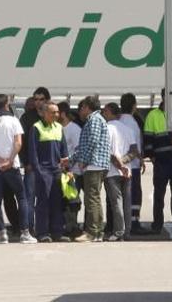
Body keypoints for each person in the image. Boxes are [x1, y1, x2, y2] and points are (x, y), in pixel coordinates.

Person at [0, 94, 36, 244]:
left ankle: (1, 233)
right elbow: (18, 143)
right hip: (12, 166)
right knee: (22, 197)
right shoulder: (13, 120)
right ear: (6, 105)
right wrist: (10, 160)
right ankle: (24, 232)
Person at [144, 89, 172, 236]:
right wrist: (152, 157)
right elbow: (148, 138)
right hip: (161, 162)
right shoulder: (153, 115)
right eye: (167, 95)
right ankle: (157, 224)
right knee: (159, 195)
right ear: (163, 97)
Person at [27, 100, 70, 242]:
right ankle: (42, 233)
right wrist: (38, 172)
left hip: (57, 171)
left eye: (57, 112)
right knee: (43, 203)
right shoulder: (36, 128)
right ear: (44, 113)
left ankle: (57, 232)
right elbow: (32, 153)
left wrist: (66, 170)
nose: (56, 115)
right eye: (53, 112)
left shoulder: (59, 127)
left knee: (57, 202)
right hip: (43, 171)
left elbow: (64, 151)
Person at [70, 96, 110, 243]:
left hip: (94, 164)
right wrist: (71, 159)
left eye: (82, 108)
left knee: (91, 199)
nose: (80, 111)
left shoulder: (93, 120)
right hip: (99, 164)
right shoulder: (98, 119)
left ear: (87, 107)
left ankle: (92, 232)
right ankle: (98, 231)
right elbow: (84, 145)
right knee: (95, 198)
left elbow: (92, 141)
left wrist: (83, 160)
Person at [103, 103, 138, 241]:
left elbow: (108, 152)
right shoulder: (128, 129)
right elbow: (134, 151)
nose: (103, 113)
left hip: (112, 171)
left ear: (109, 112)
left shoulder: (106, 128)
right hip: (127, 171)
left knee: (116, 202)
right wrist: (124, 162)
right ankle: (127, 232)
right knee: (126, 202)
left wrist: (119, 164)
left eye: (105, 111)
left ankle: (118, 232)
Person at [19, 87, 50, 231]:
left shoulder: (51, 115)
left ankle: (45, 227)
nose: (38, 102)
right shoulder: (26, 117)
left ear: (47, 100)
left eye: (41, 99)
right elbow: (22, 142)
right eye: (36, 99)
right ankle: (29, 228)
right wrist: (25, 162)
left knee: (47, 198)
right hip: (32, 165)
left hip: (49, 165)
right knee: (29, 198)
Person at [119, 93, 148, 234]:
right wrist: (141, 159)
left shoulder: (119, 121)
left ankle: (124, 222)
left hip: (118, 163)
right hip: (133, 164)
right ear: (134, 106)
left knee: (122, 194)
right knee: (135, 193)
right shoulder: (133, 123)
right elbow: (135, 144)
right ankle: (134, 222)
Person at [58, 102, 83, 238]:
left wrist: (70, 165)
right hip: (61, 172)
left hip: (73, 172)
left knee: (72, 201)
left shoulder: (74, 129)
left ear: (62, 114)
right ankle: (67, 226)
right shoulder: (57, 128)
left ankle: (72, 227)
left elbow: (79, 149)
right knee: (64, 201)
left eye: (57, 113)